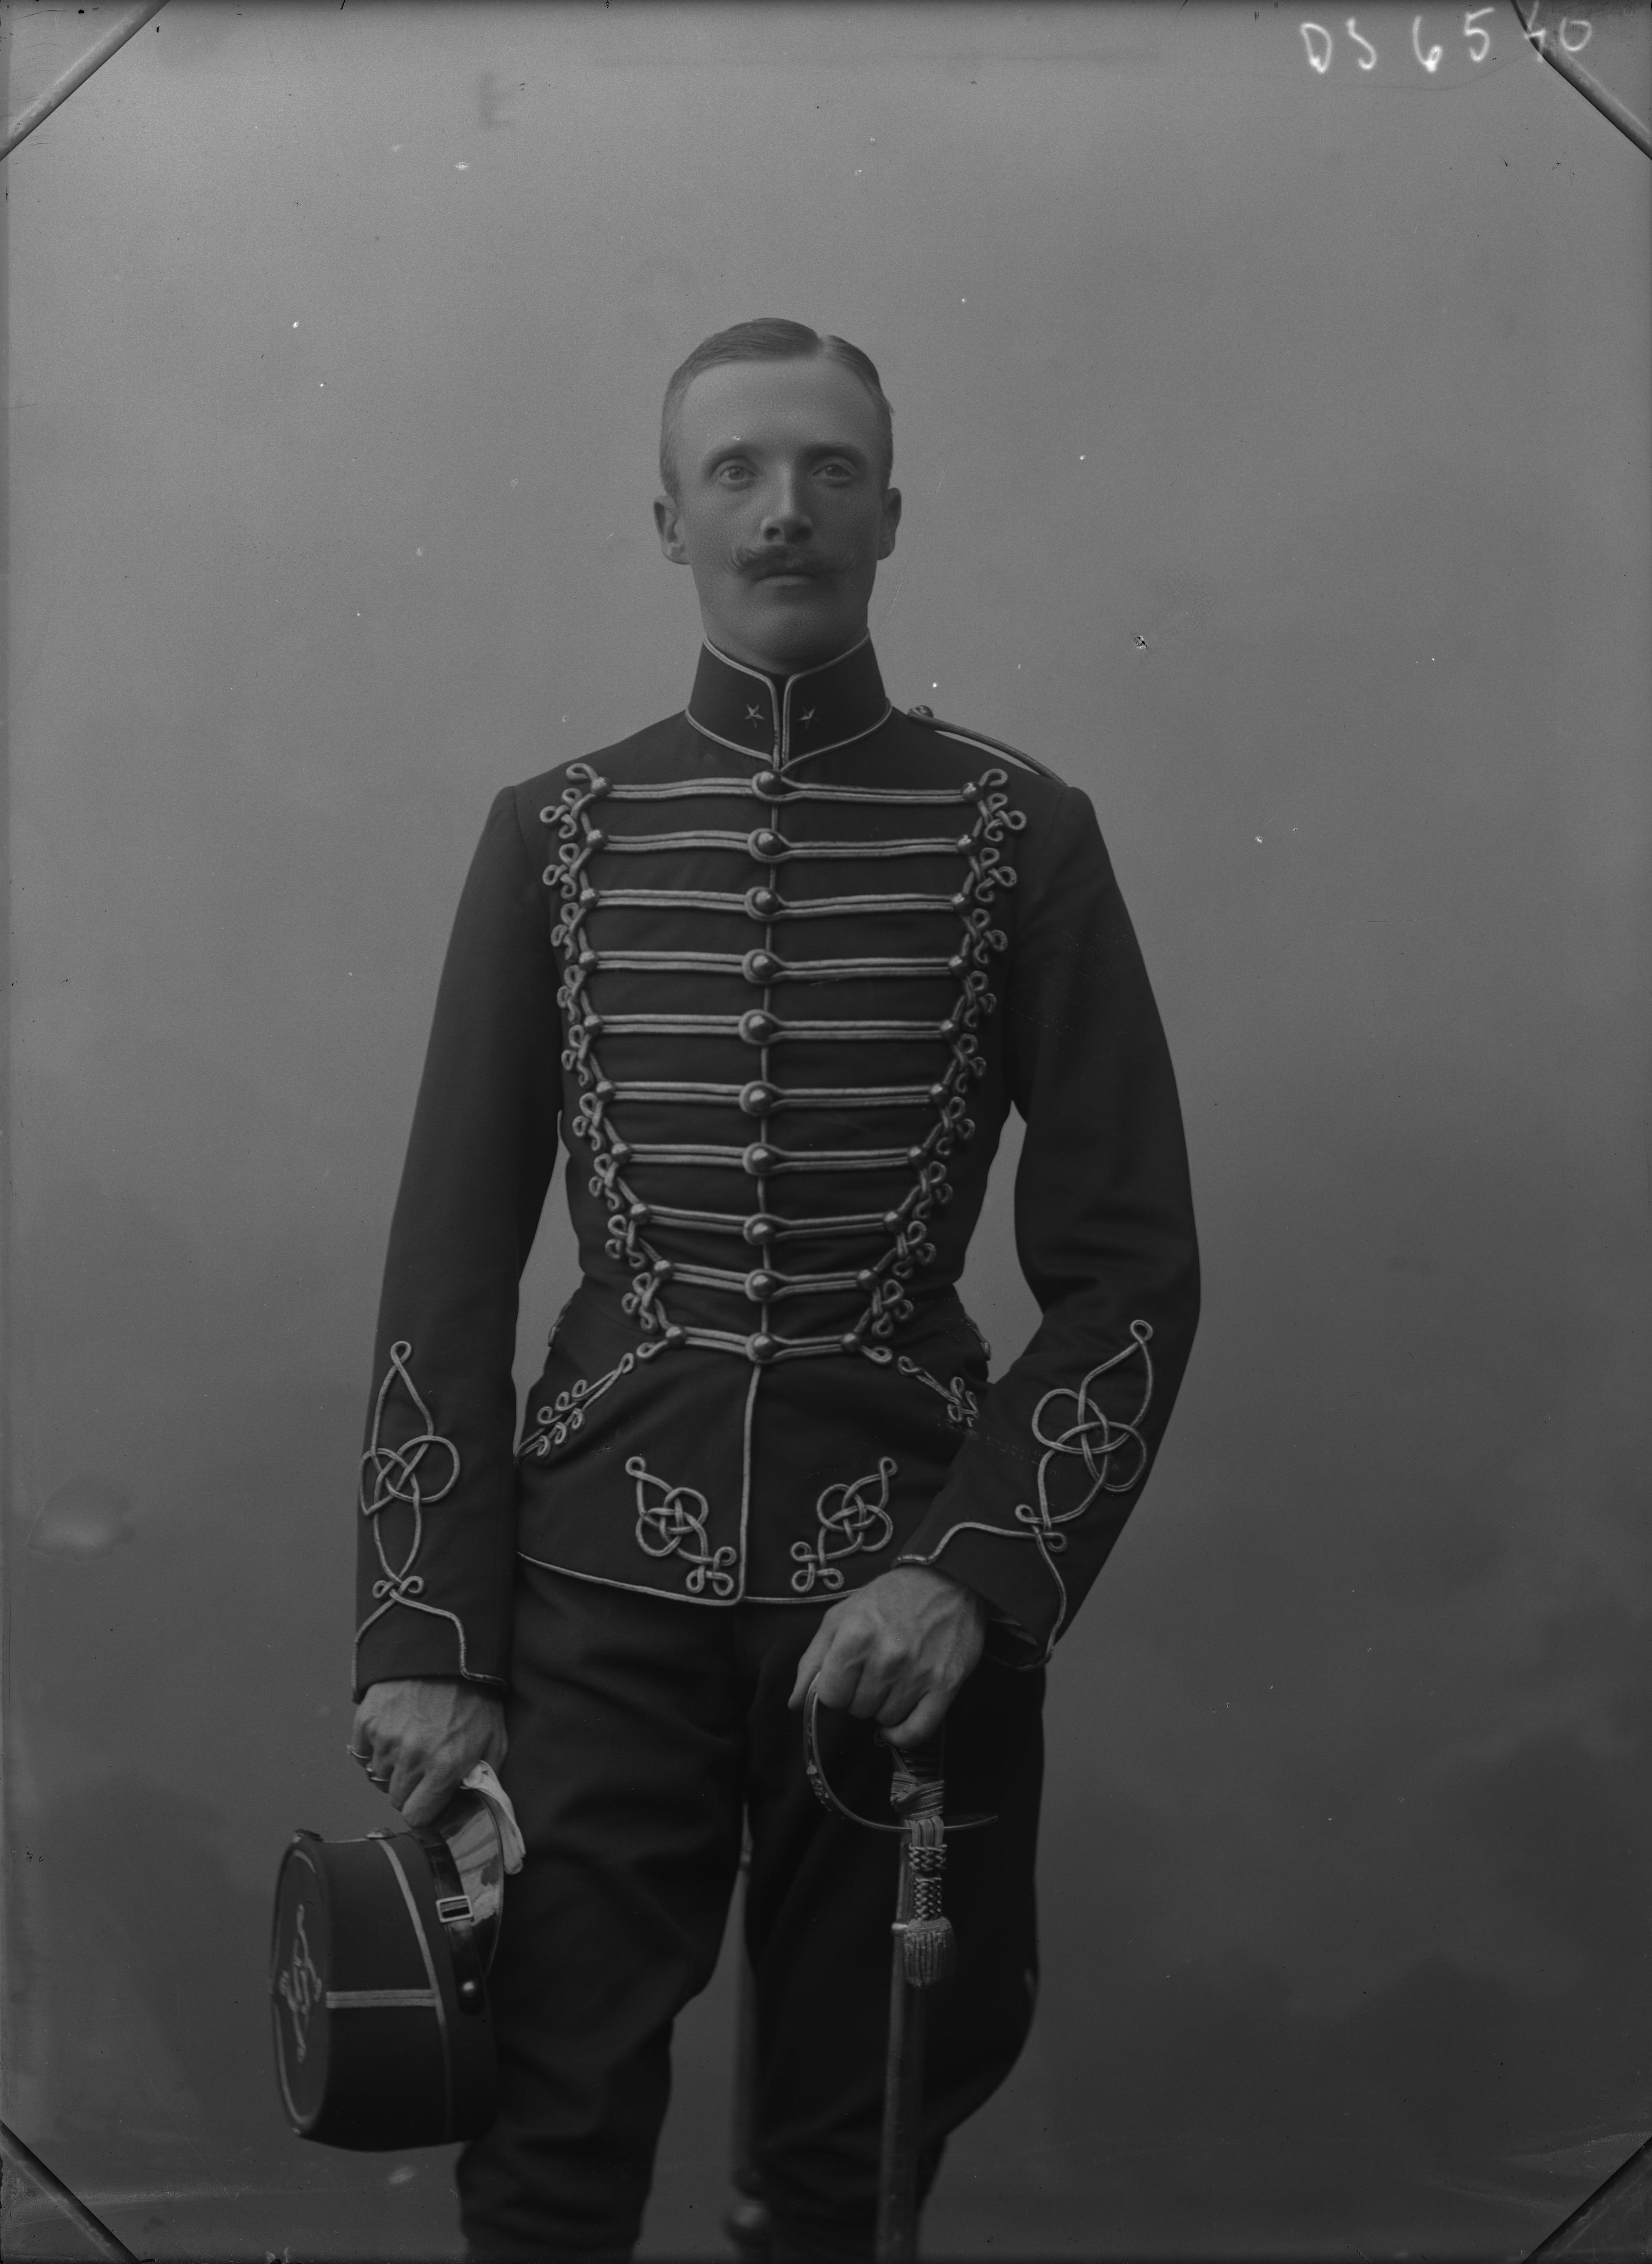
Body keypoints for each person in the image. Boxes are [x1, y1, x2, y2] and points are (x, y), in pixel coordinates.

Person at [348, 318, 1199, 2263]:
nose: (783, 508)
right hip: (587, 1591)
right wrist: (426, 1627)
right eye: (733, 470)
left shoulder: (1021, 834)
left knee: (844, 2165)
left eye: (828, 469)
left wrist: (965, 1575)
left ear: (891, 514)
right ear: (669, 521)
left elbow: (1131, 1271)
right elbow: (445, 1264)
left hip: (895, 1587)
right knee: (545, 2147)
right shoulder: (553, 834)